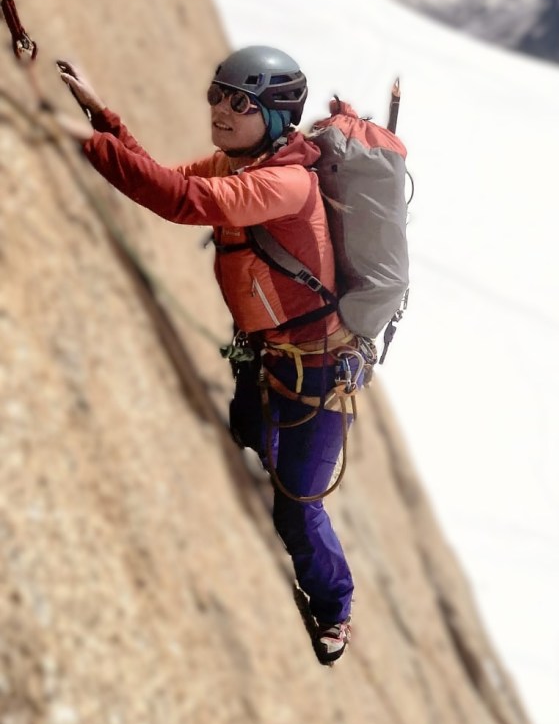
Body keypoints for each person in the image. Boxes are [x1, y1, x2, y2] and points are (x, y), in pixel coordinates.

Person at [59, 45, 370, 663]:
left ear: (275, 116)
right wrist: (104, 119)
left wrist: (90, 146)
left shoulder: (283, 183)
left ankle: (335, 608)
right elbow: (171, 179)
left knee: (297, 510)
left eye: (240, 102)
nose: (221, 111)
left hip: (318, 374)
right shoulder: (236, 163)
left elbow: (183, 202)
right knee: (246, 434)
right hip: (266, 357)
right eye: (216, 94)